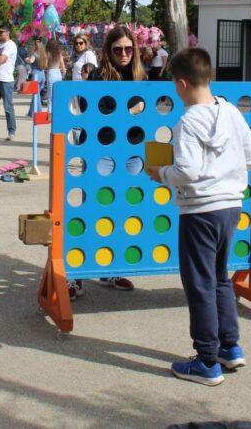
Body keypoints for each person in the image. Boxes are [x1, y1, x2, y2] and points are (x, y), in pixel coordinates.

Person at [145, 47, 251, 385]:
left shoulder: (187, 122)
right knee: (220, 277)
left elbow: (187, 171)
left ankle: (207, 360)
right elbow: (250, 156)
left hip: (199, 211)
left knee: (200, 285)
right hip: (230, 206)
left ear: (181, 83)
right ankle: (230, 347)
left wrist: (160, 172)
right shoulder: (232, 112)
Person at [77, 25, 146, 297]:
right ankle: (76, 272)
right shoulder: (98, 76)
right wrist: (129, 110)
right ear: (108, 50)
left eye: (129, 49)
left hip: (132, 151)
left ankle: (112, 268)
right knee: (94, 208)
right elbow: (90, 110)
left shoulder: (142, 76)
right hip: (103, 150)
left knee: (123, 211)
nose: (124, 54)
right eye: (118, 49)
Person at [26, 41, 47, 117]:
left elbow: (31, 61)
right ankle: (31, 112)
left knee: (35, 95)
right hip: (42, 74)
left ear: (36, 46)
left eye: (33, 45)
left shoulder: (34, 54)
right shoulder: (44, 55)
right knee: (37, 94)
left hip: (35, 74)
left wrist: (27, 59)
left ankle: (38, 112)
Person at [44, 38, 66, 108]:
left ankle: (50, 113)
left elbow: (45, 66)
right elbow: (63, 68)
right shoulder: (59, 54)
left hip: (51, 72)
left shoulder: (48, 54)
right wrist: (62, 76)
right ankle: (58, 111)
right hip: (58, 73)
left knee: (50, 96)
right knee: (57, 94)